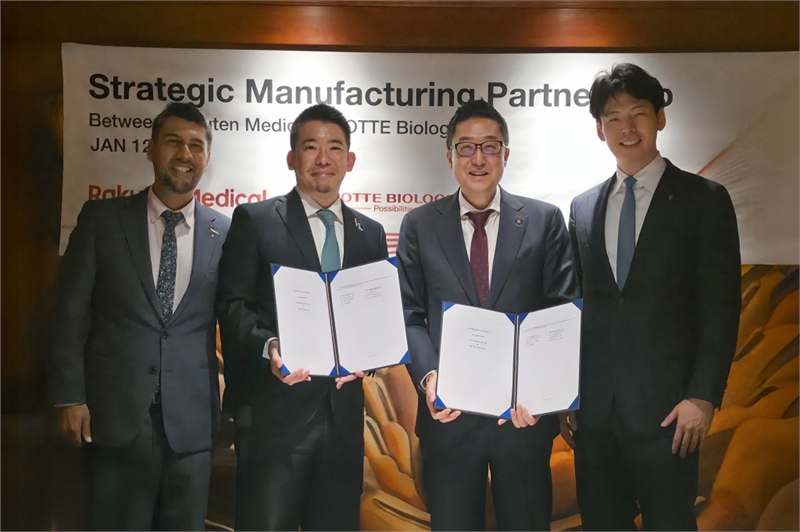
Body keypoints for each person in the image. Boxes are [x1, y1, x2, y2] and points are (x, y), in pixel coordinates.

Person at [563, 63, 741, 531]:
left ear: (660, 118)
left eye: (638, 113)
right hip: (595, 417)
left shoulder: (704, 199)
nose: (627, 128)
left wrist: (702, 397)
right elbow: (576, 307)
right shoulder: (582, 208)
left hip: (671, 415)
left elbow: (721, 308)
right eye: (613, 117)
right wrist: (567, 395)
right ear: (599, 129)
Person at [396, 99, 579, 530]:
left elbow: (563, 310)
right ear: (449, 157)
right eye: (466, 147)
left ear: (506, 154)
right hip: (448, 419)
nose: (478, 158)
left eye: (490, 146)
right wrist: (429, 378)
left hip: (523, 419)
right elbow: (407, 313)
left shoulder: (544, 221)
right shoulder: (419, 225)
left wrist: (540, 390)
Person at [47, 102, 230, 530]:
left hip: (191, 423)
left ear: (207, 159)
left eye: (196, 145)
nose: (184, 154)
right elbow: (69, 314)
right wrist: (69, 397)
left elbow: (236, 320)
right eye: (173, 142)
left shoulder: (225, 232)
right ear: (150, 149)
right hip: (115, 416)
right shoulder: (103, 220)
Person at [216, 103, 388, 531]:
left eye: (335, 148)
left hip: (343, 421)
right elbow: (232, 304)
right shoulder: (257, 220)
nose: (323, 158)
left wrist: (370, 355)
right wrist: (270, 347)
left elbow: (376, 317)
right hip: (273, 417)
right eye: (311, 147)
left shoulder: (370, 234)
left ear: (350, 160)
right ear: (292, 157)